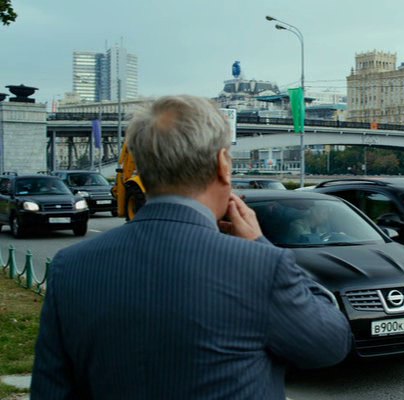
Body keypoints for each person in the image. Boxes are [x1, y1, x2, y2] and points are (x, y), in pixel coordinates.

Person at [31, 95, 352, 399]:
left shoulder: (70, 267)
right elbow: (331, 344)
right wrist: (260, 243)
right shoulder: (260, 266)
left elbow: (51, 391)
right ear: (222, 164)